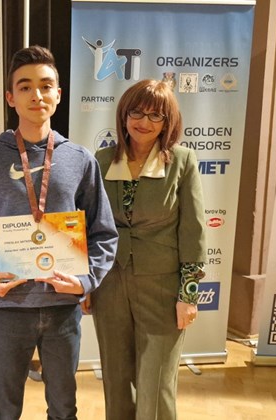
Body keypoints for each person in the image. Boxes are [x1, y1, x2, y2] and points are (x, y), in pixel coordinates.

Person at [0, 45, 118, 420]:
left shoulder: (80, 159)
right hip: (8, 307)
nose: (37, 95)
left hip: (62, 308)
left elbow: (104, 232)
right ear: (10, 97)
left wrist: (85, 281)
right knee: (4, 409)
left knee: (64, 408)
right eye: (25, 86)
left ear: (58, 95)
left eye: (46, 86)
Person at [86, 79, 206, 420]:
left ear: (167, 122)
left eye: (156, 115)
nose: (144, 122)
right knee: (115, 377)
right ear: (124, 115)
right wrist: (86, 283)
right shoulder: (102, 159)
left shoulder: (182, 161)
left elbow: (194, 231)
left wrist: (188, 295)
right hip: (110, 282)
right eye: (136, 112)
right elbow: (89, 224)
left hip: (162, 287)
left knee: (156, 380)